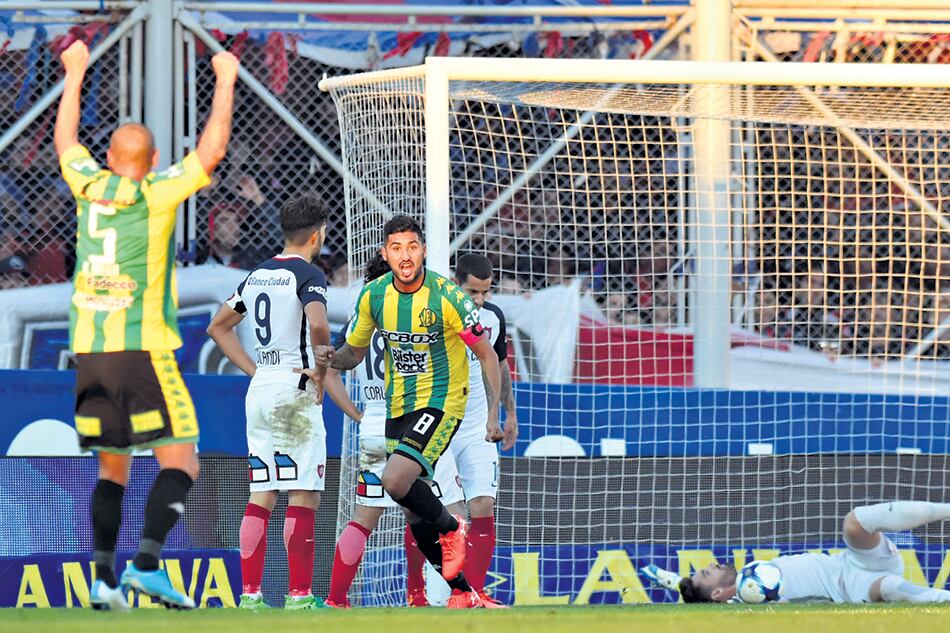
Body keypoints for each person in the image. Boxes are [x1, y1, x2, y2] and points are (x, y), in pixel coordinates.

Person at [54, 40, 237, 610]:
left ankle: (103, 580)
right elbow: (209, 153)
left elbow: (65, 140)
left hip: (89, 349)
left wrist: (76, 73)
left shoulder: (88, 186)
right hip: (142, 348)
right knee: (183, 459)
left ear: (107, 157)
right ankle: (148, 565)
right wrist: (225, 79)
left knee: (114, 467)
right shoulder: (155, 194)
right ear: (152, 161)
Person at [311, 214, 502, 609]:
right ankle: (463, 590)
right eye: (396, 248)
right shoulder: (374, 296)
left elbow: (487, 354)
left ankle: (452, 529)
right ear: (385, 252)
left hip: (442, 403)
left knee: (395, 481)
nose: (405, 255)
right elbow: (354, 353)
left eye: (412, 247)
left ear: (424, 251)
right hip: (396, 407)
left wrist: (494, 415)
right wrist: (332, 359)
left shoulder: (447, 296)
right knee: (414, 514)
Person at [206, 194, 332, 610]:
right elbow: (317, 322)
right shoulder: (308, 275)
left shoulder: (257, 275)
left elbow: (218, 327)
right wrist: (320, 368)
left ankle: (250, 596)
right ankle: (298, 596)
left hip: (261, 389)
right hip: (294, 388)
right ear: (318, 234)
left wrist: (254, 370)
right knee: (302, 493)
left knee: (262, 492)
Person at [322, 253, 466, 608]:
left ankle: (336, 599)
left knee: (362, 519)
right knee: (422, 506)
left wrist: (356, 414)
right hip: (411, 416)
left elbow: (333, 368)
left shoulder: (360, 318)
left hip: (372, 420)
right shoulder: (405, 315)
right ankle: (422, 592)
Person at [641, 500, 950, 604]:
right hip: (851, 589)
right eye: (709, 573)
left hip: (853, 560)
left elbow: (684, 584)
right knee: (891, 588)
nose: (712, 564)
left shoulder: (745, 578)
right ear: (719, 593)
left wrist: (665, 577)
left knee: (855, 521)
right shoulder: (748, 597)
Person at [449, 253, 519, 606]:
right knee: (437, 513)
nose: (478, 300)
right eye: (472, 292)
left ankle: (473, 593)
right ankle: (419, 593)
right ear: (455, 281)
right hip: (440, 425)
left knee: (483, 506)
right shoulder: (439, 309)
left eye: (485, 292)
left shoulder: (493, 317)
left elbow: (500, 366)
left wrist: (508, 414)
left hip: (479, 424)